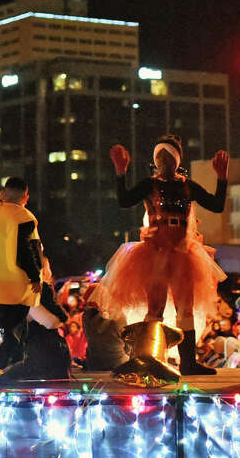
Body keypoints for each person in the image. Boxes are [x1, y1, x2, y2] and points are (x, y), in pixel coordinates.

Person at [94, 136, 229, 376]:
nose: (162, 162)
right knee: (154, 308)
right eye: (158, 157)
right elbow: (124, 200)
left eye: (167, 157)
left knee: (185, 309)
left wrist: (221, 177)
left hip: (182, 253)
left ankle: (188, 362)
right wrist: (120, 172)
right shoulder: (149, 184)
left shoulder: (188, 185)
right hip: (154, 253)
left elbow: (217, 205)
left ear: (177, 161)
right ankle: (149, 360)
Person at [0, 177, 46, 365]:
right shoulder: (25, 217)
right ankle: (11, 367)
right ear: (26, 197)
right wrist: (35, 276)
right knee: (14, 329)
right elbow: (25, 249)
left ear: (2, 194)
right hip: (15, 284)